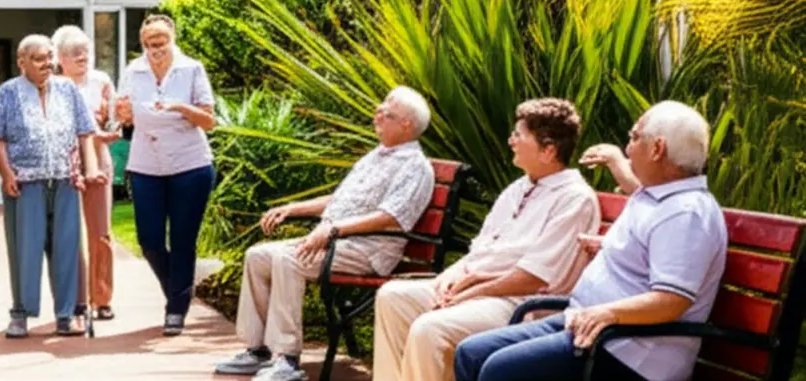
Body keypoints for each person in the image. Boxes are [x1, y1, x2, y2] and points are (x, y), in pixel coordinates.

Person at [453, 101, 726, 381]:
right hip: (586, 325)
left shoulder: (686, 213)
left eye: (633, 138)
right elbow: (651, 251)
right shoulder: (656, 197)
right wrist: (605, 246)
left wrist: (607, 312)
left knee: (500, 372)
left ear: (657, 149)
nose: (627, 149)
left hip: (629, 349)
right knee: (471, 354)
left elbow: (672, 300)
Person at [214, 86, 436, 381]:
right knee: (258, 255)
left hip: (367, 250)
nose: (377, 115)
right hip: (335, 240)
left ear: (406, 124)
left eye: (386, 113)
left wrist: (333, 229)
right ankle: (258, 351)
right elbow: (340, 199)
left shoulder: (415, 167)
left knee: (289, 259)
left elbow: (393, 217)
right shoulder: (377, 156)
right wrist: (293, 208)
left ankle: (287, 359)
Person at [372, 98, 601, 381]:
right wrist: (449, 278)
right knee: (393, 297)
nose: (511, 141)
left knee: (430, 328)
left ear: (548, 150)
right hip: (480, 288)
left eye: (519, 135)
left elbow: (534, 278)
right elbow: (481, 247)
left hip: (522, 303)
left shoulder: (575, 199)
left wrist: (470, 292)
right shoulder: (519, 187)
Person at [0, 34, 106, 338]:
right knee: (25, 249)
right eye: (39, 58)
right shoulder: (8, 92)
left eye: (50, 57)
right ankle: (20, 313)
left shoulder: (67, 89)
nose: (47, 63)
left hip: (64, 179)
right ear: (21, 62)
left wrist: (90, 169)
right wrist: (7, 174)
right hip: (25, 183)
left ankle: (65, 314)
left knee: (66, 247)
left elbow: (85, 131)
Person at [114, 14, 216, 336]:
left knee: (183, 239)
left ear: (172, 40)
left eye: (159, 42)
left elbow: (209, 120)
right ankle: (179, 287)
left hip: (190, 164)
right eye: (147, 43)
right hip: (146, 163)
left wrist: (180, 108)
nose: (154, 49)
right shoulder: (134, 70)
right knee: (150, 240)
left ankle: (176, 308)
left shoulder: (192, 69)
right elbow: (125, 115)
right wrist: (123, 113)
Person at [52, 24, 124, 322]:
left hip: (98, 155)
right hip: (63, 162)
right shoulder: (52, 84)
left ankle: (102, 298)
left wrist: (112, 130)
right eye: (73, 53)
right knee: (66, 235)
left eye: (85, 51)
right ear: (60, 58)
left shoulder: (101, 81)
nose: (82, 57)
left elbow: (115, 117)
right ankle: (74, 299)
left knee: (101, 232)